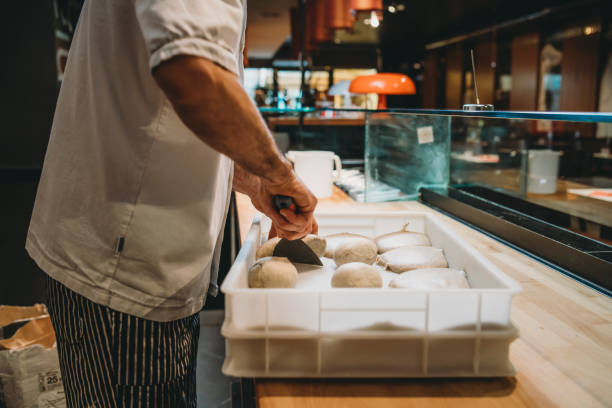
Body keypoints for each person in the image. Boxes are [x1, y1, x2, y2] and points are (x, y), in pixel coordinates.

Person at [26, 0, 317, 406]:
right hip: (124, 272)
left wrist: (252, 178)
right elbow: (192, 75)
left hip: (132, 256)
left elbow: (161, 111)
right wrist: (277, 172)